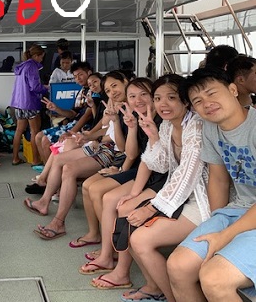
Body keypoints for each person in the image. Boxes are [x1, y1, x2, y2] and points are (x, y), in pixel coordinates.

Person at [90, 74, 210, 302]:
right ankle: (158, 288)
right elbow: (161, 164)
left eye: (171, 98)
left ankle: (170, 295)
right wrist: (154, 136)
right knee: (130, 224)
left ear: (185, 100)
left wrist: (151, 207)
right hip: (179, 196)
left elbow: (187, 176)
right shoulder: (167, 126)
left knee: (140, 238)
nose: (163, 104)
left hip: (200, 201)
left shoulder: (195, 126)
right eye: (158, 98)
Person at [167, 67, 256, 301]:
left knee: (214, 278)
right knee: (178, 266)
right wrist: (215, 223)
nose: (206, 103)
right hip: (238, 209)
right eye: (198, 101)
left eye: (212, 93)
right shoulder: (210, 129)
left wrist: (225, 236)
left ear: (233, 90)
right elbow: (218, 179)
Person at [25, 71, 130, 239]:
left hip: (112, 152)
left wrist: (96, 135)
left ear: (125, 81)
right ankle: (44, 201)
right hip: (103, 145)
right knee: (59, 158)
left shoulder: (130, 109)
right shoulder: (115, 104)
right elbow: (106, 128)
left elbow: (120, 142)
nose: (112, 92)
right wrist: (90, 136)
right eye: (108, 90)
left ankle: (58, 222)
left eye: (114, 86)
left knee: (69, 169)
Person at [71, 78, 156, 249]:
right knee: (87, 185)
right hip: (134, 164)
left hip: (143, 169)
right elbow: (129, 151)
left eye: (143, 94)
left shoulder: (153, 118)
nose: (138, 100)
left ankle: (110, 246)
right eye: (108, 90)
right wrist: (118, 121)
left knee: (98, 191)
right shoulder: (130, 114)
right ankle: (98, 236)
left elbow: (133, 155)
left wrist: (122, 169)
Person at [10, 44, 49, 166]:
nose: (41, 60)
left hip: (18, 103)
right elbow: (35, 87)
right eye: (41, 57)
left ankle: (15, 158)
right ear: (36, 56)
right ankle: (36, 160)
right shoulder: (32, 66)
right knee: (34, 131)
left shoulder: (22, 66)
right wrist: (46, 88)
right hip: (30, 103)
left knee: (18, 131)